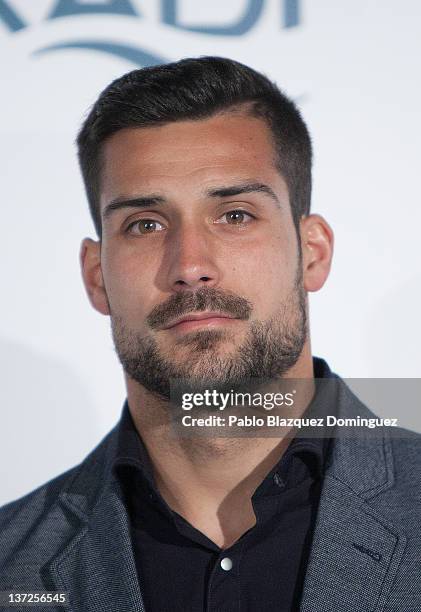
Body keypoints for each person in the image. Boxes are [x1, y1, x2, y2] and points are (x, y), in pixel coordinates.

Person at [0, 56, 420, 612]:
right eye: (145, 224)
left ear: (312, 253)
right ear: (96, 276)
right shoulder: (12, 563)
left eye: (236, 215)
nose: (190, 264)